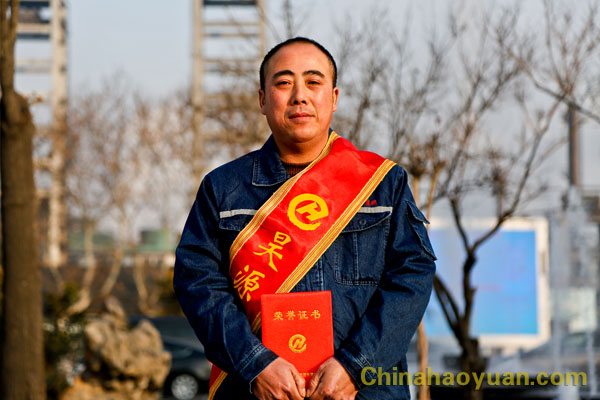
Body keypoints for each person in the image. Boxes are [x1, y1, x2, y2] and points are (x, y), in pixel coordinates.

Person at [174, 37, 436, 400]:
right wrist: (255, 364)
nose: (300, 96)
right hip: (256, 389)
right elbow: (198, 283)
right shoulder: (222, 189)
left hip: (364, 390)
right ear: (262, 100)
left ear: (334, 97)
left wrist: (355, 366)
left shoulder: (382, 182)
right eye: (284, 83)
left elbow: (411, 279)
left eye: (313, 82)